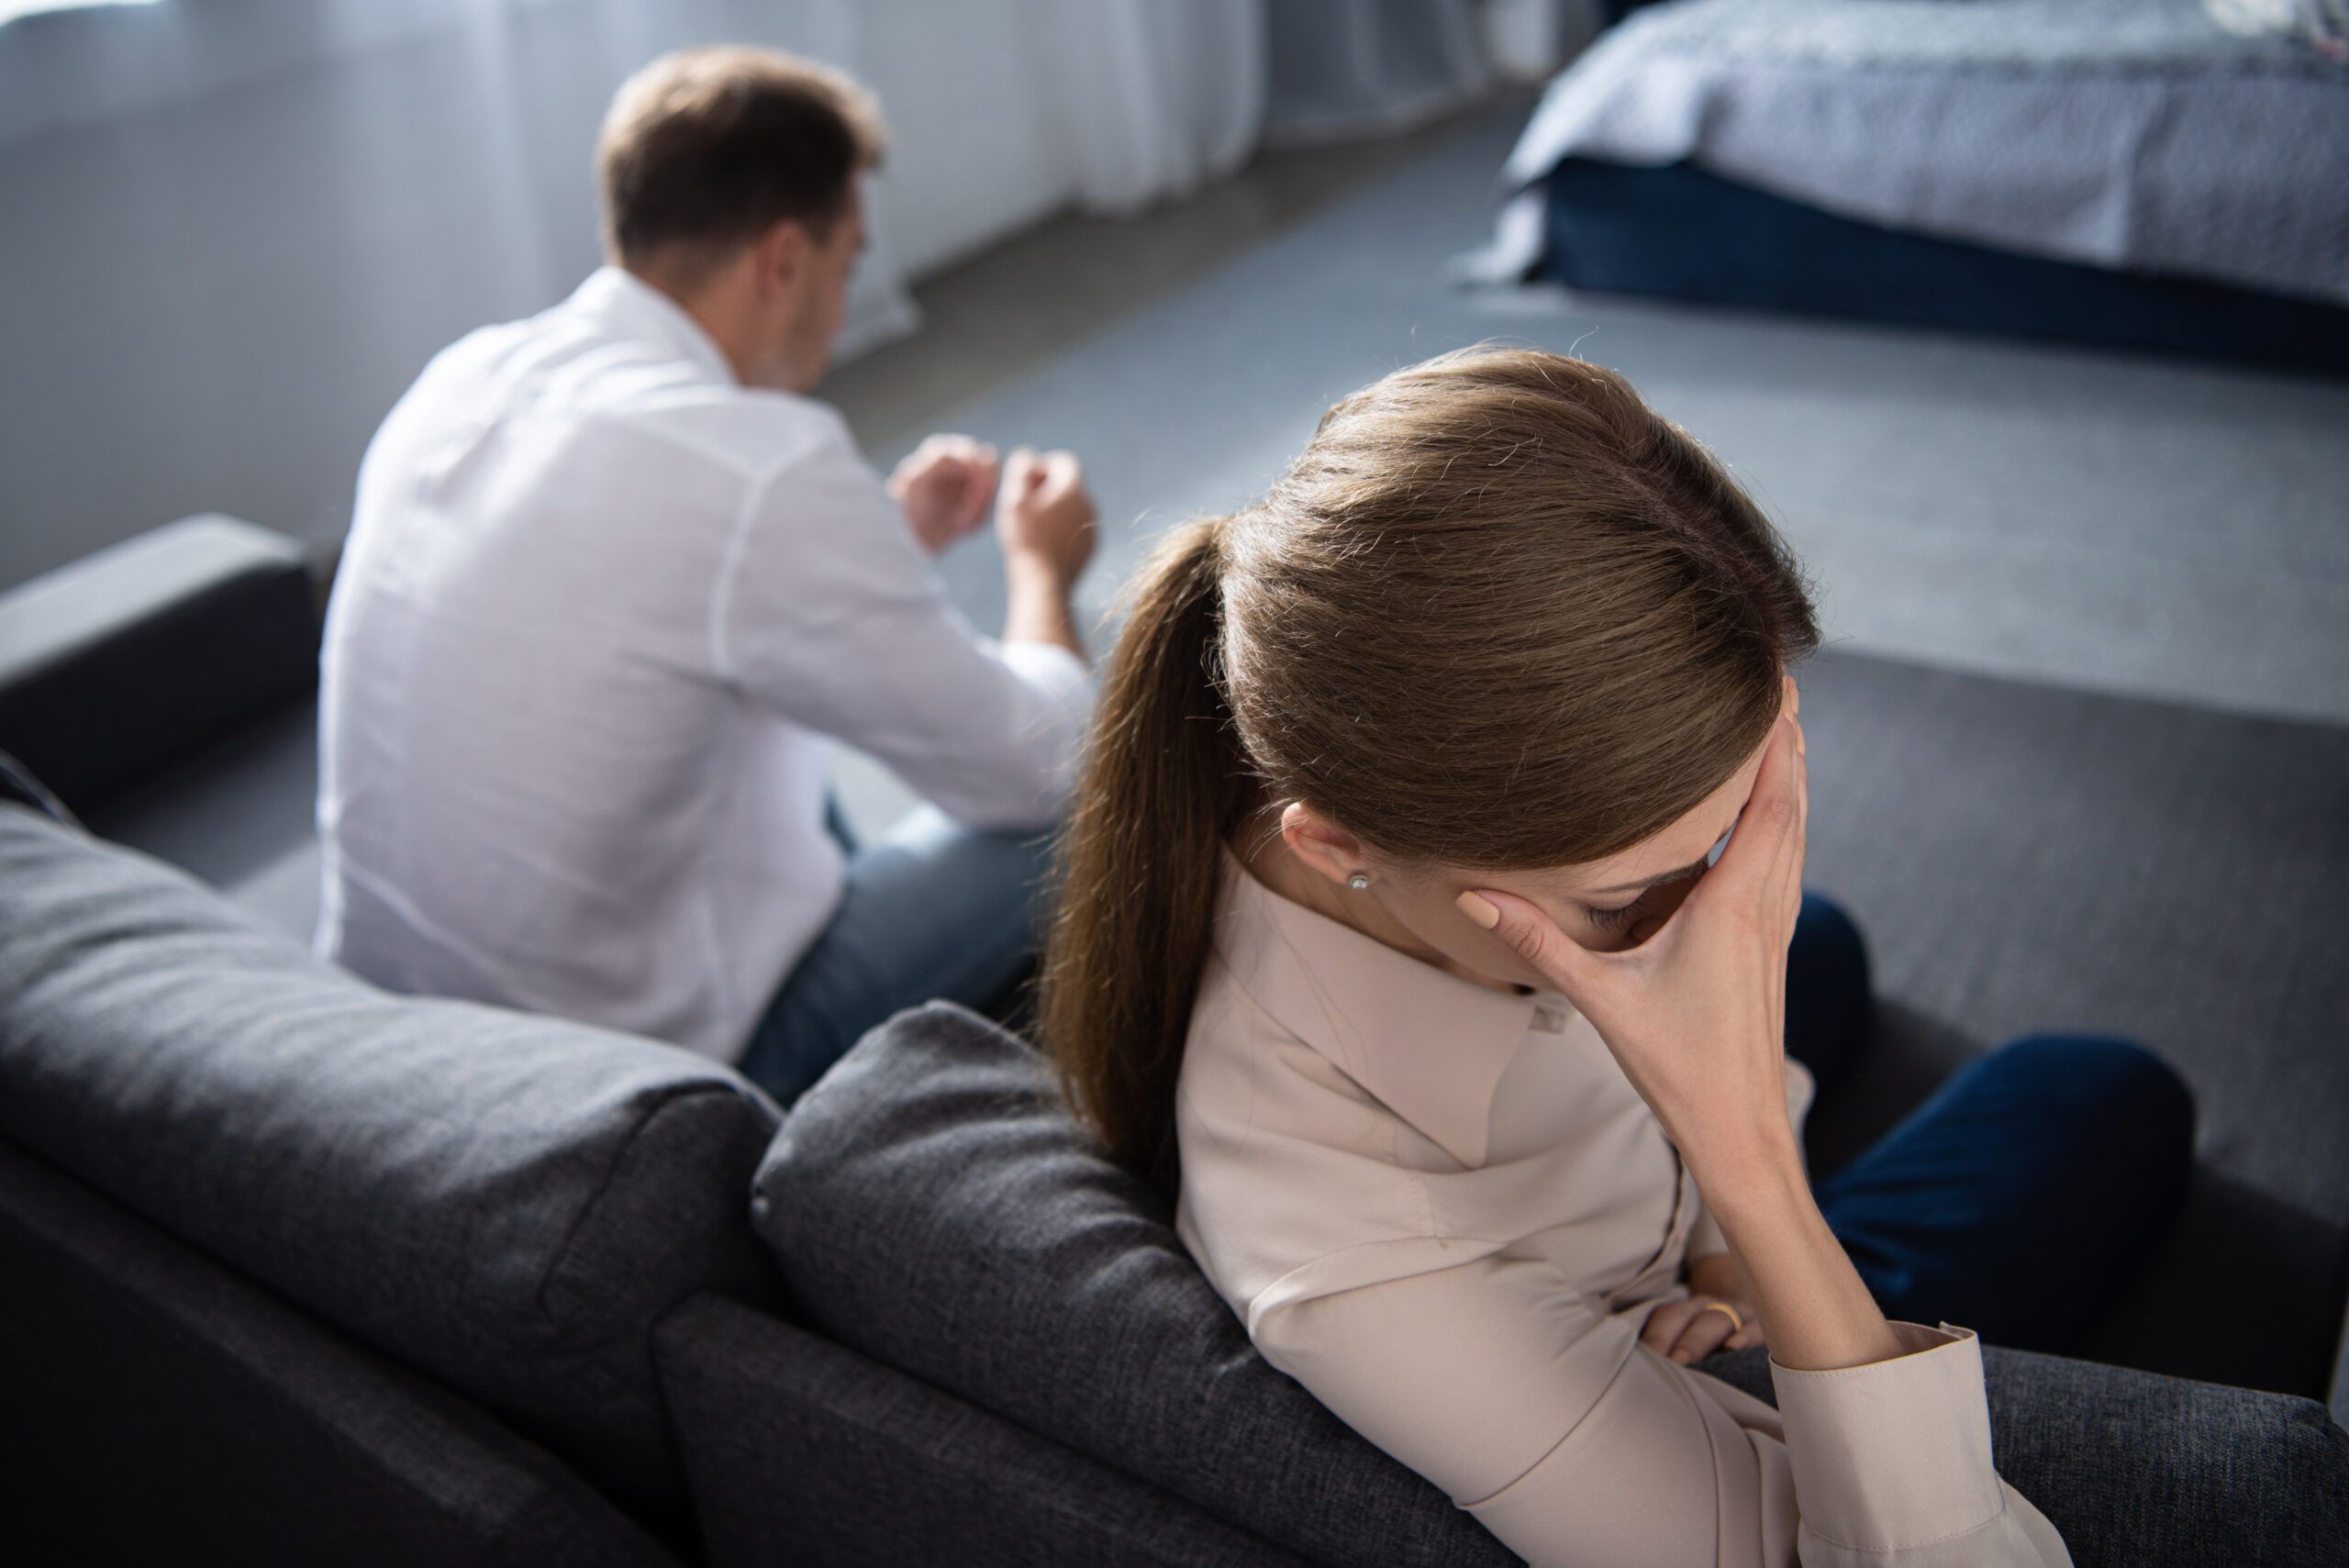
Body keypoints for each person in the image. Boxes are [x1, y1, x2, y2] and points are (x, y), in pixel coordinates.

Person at [1035, 348, 2207, 1564]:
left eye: (1741, 822)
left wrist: (1721, 1239)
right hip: (1685, 1318)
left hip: (1699, 1249)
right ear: (1343, 850)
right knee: (2100, 1089)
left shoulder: (1375, 810)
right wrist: (1750, 1167)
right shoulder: (1364, 1268)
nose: (1728, 916)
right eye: (1626, 904)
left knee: (1833, 945)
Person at [317, 47, 1096, 1102]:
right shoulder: (755, 469)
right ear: (782, 260)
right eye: (846, 261)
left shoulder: (461, 376)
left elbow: (645, 598)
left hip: (386, 1033)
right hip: (620, 1082)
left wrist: (878, 540)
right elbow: (1042, 759)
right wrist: (1039, 571)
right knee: (1094, 799)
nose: (839, 303)